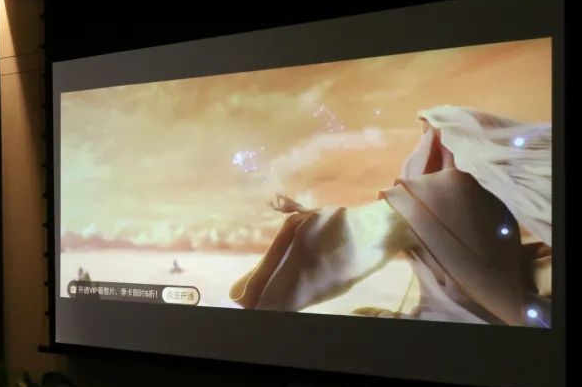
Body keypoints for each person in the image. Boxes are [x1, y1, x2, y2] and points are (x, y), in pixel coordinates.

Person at [228, 106, 552, 327]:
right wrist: (305, 213)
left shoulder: (436, 195)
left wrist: (264, 294)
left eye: (428, 136)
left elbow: (354, 237)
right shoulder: (494, 205)